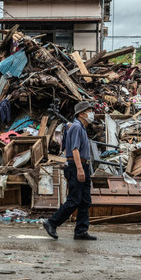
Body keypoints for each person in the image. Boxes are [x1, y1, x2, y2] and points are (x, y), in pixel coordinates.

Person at [43, 100, 97, 240]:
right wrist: (80, 169)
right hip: (76, 165)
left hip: (82, 165)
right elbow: (74, 150)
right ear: (81, 114)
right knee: (74, 200)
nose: (92, 113)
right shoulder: (77, 127)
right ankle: (52, 222)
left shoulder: (81, 128)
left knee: (85, 200)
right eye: (90, 111)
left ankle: (81, 231)